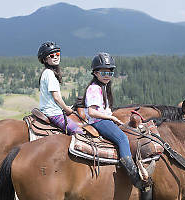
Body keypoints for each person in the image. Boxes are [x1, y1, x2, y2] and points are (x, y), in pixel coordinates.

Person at [82, 52, 148, 189]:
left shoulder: (103, 87)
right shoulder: (94, 88)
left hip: (102, 120)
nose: (107, 76)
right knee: (122, 138)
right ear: (95, 72)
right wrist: (111, 117)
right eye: (104, 72)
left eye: (110, 73)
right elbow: (92, 112)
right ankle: (132, 173)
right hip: (98, 121)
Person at [37, 41, 84, 135]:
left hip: (48, 110)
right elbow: (56, 98)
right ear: (45, 60)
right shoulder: (50, 74)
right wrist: (67, 110)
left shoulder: (46, 72)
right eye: (51, 56)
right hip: (53, 113)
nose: (55, 57)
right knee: (79, 132)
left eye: (57, 54)